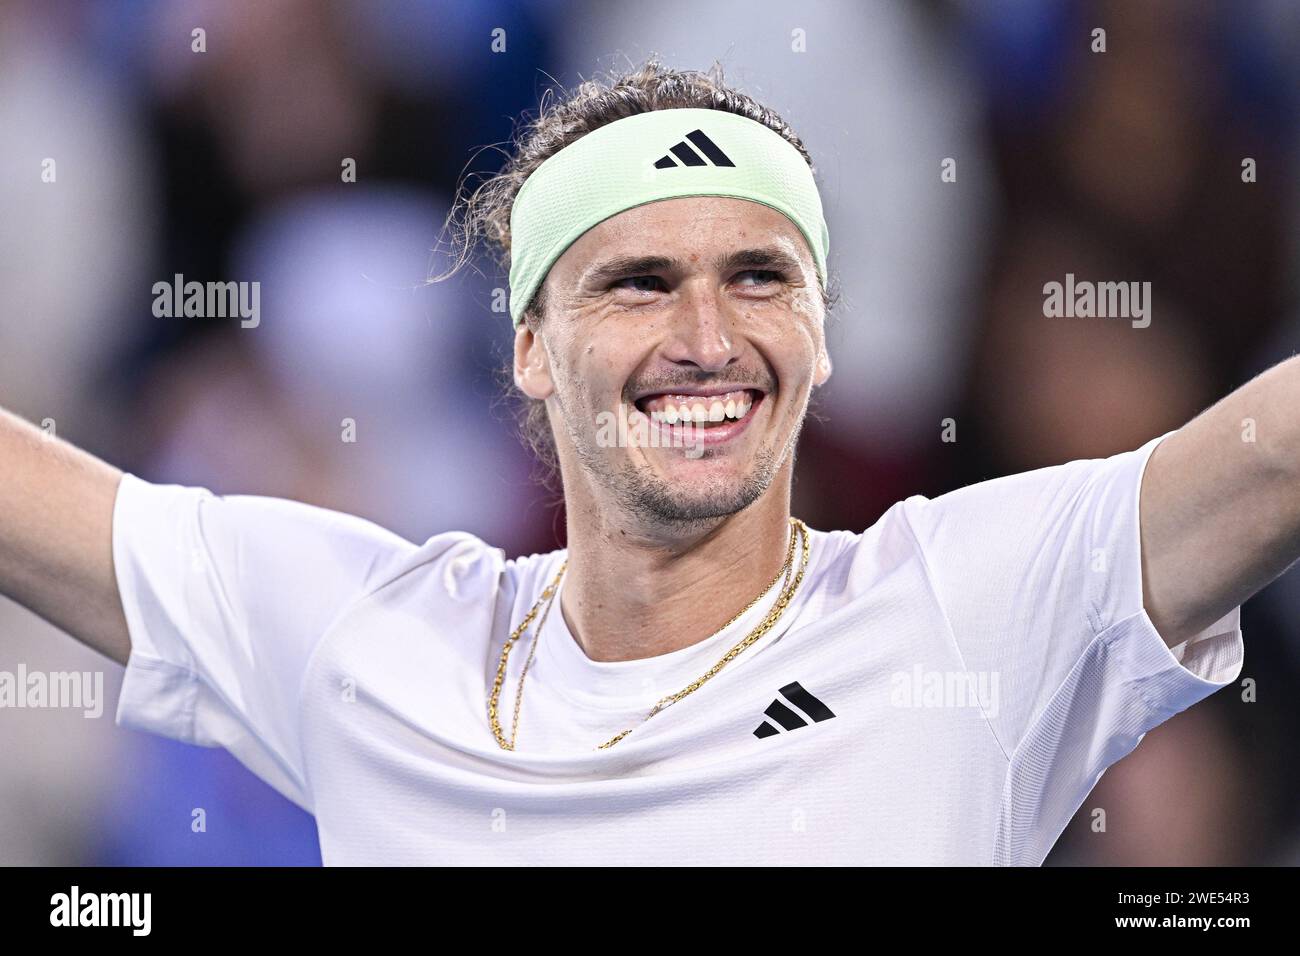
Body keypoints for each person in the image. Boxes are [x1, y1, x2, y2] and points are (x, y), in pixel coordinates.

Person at [8, 60, 1292, 866]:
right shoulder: (367, 635)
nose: (706, 338)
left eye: (759, 278)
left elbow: (1272, 455)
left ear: (821, 336)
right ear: (528, 349)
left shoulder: (970, 603)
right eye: (638, 283)